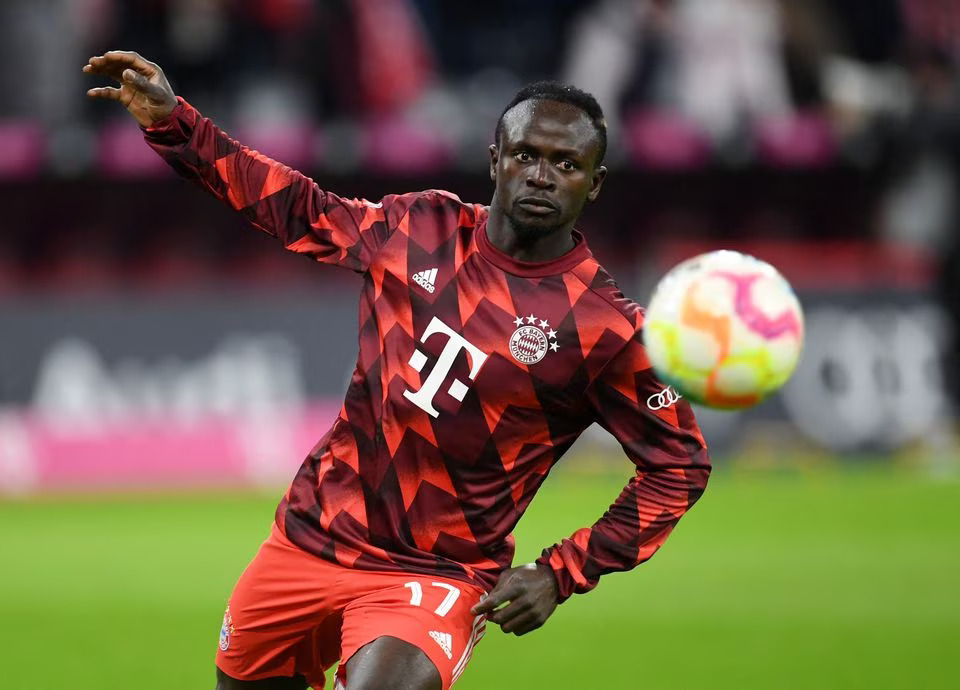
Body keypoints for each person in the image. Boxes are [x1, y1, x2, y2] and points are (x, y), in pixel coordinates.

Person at [84, 50, 711, 690]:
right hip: (312, 535)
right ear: (495, 160)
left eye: (566, 164)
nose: (542, 176)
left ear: (594, 182)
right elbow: (298, 209)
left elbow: (679, 465)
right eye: (526, 155)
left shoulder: (608, 328)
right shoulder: (421, 226)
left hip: (434, 574)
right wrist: (174, 123)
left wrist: (562, 571)